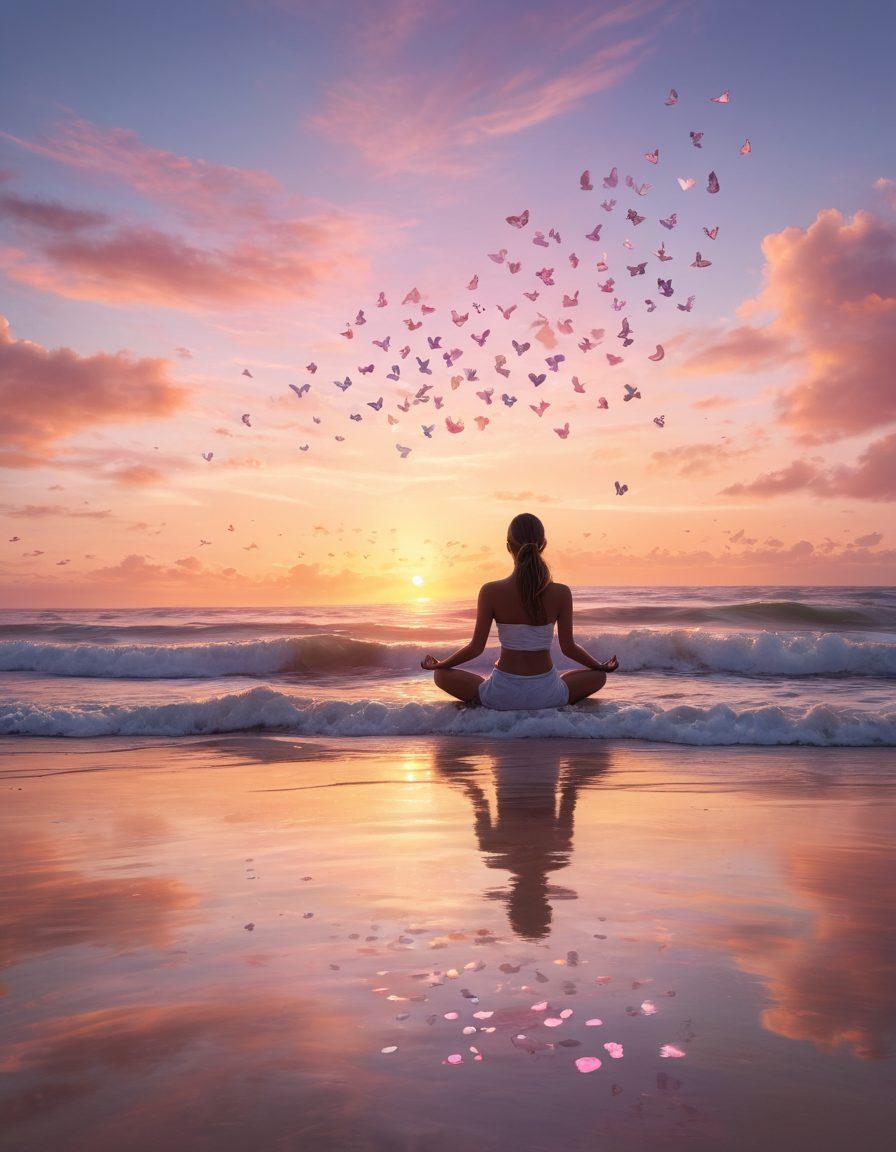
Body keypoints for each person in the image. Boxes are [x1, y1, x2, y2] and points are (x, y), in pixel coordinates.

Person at [421, 512, 618, 708]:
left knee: (440, 676)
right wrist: (599, 666)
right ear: (543, 545)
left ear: (508, 546)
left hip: (501, 694)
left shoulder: (490, 591)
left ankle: (488, 701)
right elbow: (569, 648)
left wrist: (441, 664)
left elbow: (476, 648)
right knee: (598, 677)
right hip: (547, 693)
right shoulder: (561, 593)